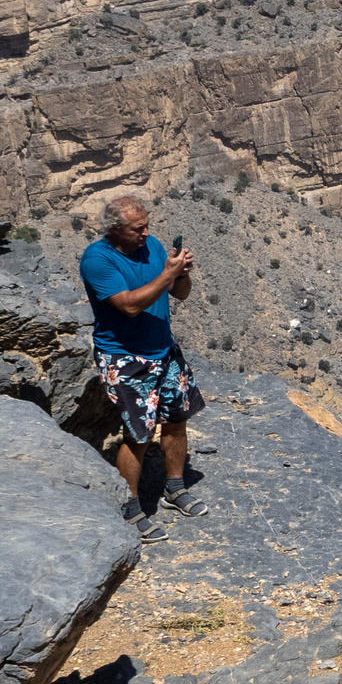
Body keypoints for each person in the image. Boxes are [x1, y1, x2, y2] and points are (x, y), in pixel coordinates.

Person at [80, 192, 208, 541]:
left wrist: (181, 274)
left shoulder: (152, 247)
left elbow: (180, 294)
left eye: (147, 225)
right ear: (115, 230)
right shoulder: (97, 260)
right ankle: (131, 507)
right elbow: (129, 306)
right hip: (125, 357)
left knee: (176, 419)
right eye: (138, 228)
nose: (146, 234)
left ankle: (175, 488)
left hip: (163, 350)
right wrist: (168, 274)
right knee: (138, 434)